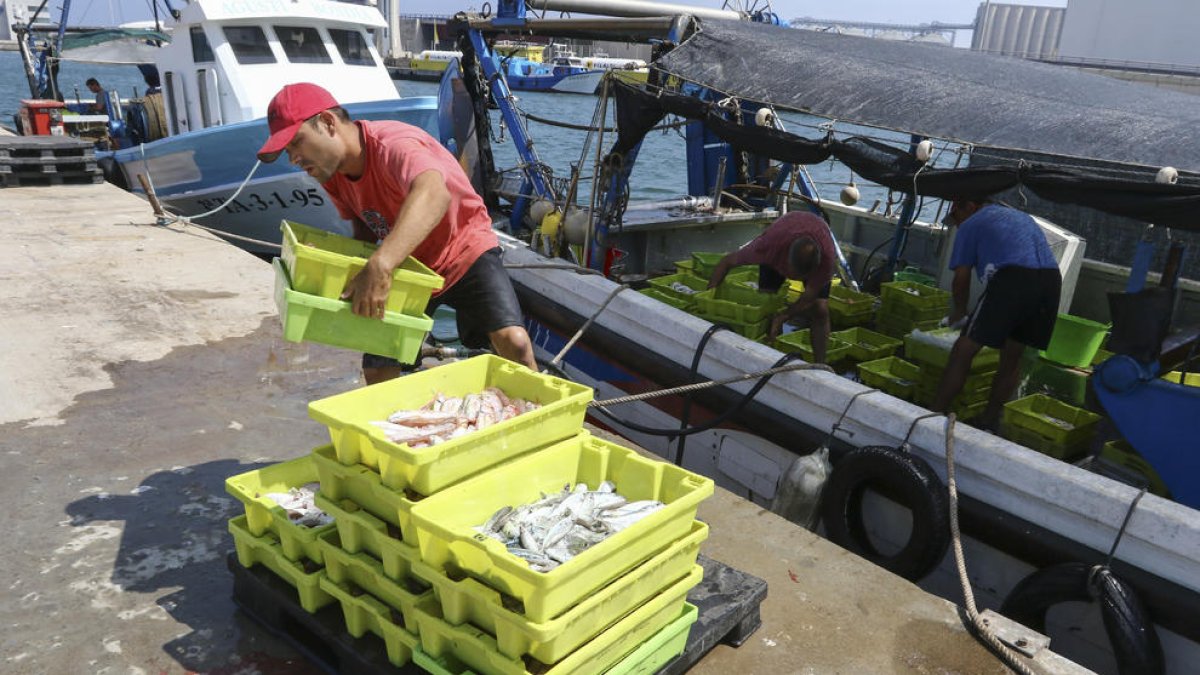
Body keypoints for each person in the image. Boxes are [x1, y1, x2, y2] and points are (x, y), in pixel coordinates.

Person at [256, 82, 536, 383]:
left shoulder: (393, 144)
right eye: (288, 151)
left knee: (514, 343)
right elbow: (363, 226)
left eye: (297, 143)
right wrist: (346, 273)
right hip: (408, 266)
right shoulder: (333, 173)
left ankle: (540, 415)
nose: (293, 159)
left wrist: (381, 263)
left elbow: (434, 194)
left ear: (327, 122)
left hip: (464, 250)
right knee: (377, 368)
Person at [932, 199, 1061, 429]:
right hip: (1050, 281)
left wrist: (959, 313)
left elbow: (961, 279)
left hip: (1014, 279)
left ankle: (933, 414)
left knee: (963, 350)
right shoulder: (1020, 216)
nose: (958, 225)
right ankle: (989, 421)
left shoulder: (970, 225)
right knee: (1012, 356)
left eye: (957, 218)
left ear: (970, 206)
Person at [707, 211, 838, 362]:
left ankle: (821, 364)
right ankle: (772, 352)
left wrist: (784, 315)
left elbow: (809, 296)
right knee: (766, 305)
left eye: (803, 278)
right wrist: (707, 297)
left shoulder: (827, 261)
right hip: (783, 231)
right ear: (785, 261)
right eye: (794, 275)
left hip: (819, 232)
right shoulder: (767, 247)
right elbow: (726, 262)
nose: (796, 280)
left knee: (820, 310)